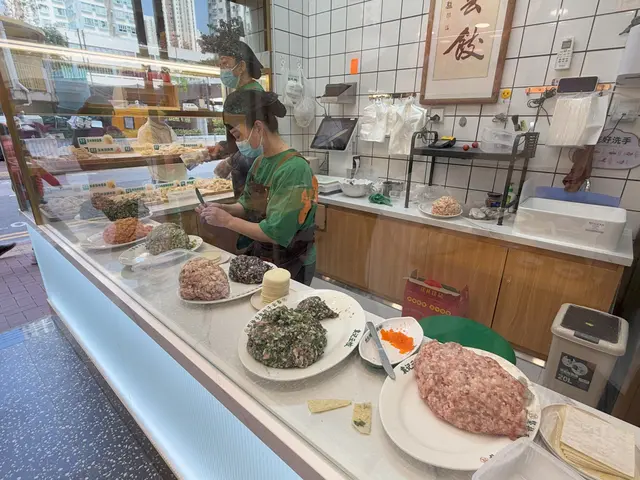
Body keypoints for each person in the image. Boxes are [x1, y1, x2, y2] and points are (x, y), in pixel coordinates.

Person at [197, 90, 317, 285]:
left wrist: (227, 221)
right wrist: (224, 209)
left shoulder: (294, 168)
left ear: (258, 127)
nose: (238, 143)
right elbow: (247, 205)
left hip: (293, 262)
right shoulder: (260, 162)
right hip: (265, 256)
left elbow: (275, 232)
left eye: (238, 135)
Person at [213, 38, 265, 197]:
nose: (222, 70)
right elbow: (241, 136)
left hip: (252, 172)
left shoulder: (251, 96)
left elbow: (254, 143)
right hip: (244, 170)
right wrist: (223, 148)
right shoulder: (241, 94)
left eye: (225, 63)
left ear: (241, 66)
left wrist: (231, 161)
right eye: (220, 65)